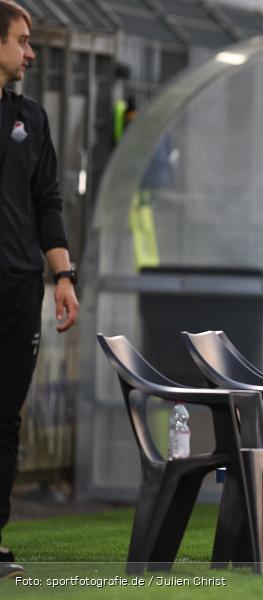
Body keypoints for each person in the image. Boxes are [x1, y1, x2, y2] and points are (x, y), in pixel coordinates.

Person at [0, 1, 79, 579]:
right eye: (23, 40)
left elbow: (47, 201)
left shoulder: (31, 117)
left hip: (19, 289)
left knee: (6, 416)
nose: (31, 53)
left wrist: (63, 277)